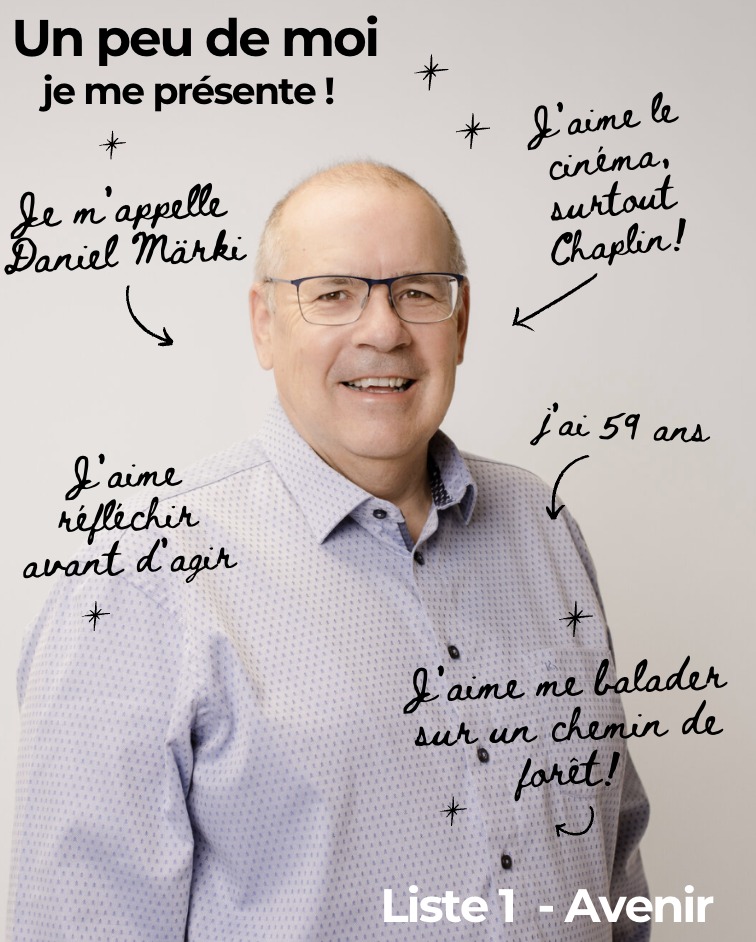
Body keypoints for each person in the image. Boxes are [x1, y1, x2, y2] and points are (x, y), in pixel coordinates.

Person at [8, 162, 649, 940]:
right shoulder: (140, 582)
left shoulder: (541, 527)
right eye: (334, 294)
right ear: (264, 323)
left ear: (461, 322)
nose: (384, 331)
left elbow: (613, 859)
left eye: (418, 292)